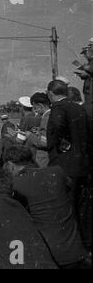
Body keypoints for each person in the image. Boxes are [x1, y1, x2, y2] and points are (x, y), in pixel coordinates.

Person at [3, 146, 90, 269]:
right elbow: (68, 188)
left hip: (49, 256)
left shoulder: (16, 185)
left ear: (11, 165)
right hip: (75, 250)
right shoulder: (57, 172)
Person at [46, 79, 91, 250]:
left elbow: (57, 126)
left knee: (64, 208)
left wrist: (56, 144)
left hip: (63, 166)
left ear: (50, 93)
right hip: (81, 166)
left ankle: (68, 247)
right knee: (82, 208)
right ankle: (84, 244)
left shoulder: (59, 108)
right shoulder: (79, 108)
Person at [26, 92, 51, 168]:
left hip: (44, 159)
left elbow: (45, 142)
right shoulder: (49, 115)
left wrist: (30, 136)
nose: (35, 110)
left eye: (35, 108)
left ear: (40, 106)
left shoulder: (46, 118)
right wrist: (38, 132)